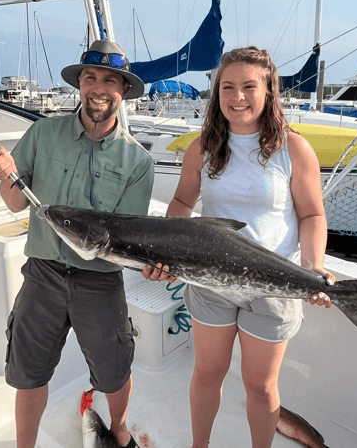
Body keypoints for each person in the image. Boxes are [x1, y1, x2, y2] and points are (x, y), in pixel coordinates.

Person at [142, 46, 335, 448]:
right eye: (227, 87)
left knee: (261, 388)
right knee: (207, 374)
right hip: (211, 281)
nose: (237, 96)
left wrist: (313, 265)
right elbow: (180, 203)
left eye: (249, 86)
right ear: (217, 94)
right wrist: (163, 251)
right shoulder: (201, 148)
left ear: (269, 91)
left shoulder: (293, 149)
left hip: (273, 285)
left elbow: (312, 216)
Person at [0, 40, 152, 448]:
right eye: (90, 77)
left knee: (114, 372)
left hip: (100, 280)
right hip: (42, 275)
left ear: (123, 91)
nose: (98, 87)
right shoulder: (44, 133)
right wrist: (2, 172)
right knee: (28, 373)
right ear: (79, 83)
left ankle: (120, 428)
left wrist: (154, 264)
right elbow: (14, 202)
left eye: (109, 81)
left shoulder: (138, 163)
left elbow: (125, 243)